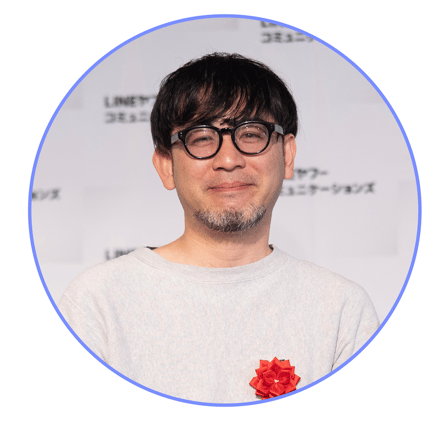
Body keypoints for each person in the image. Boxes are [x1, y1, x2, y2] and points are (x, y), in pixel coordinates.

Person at [58, 53, 379, 403]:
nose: (228, 160)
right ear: (166, 165)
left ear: (287, 155)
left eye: (251, 134)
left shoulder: (341, 309)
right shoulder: (98, 303)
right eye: (201, 138)